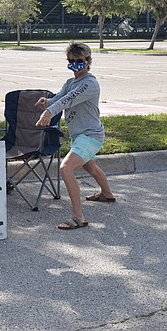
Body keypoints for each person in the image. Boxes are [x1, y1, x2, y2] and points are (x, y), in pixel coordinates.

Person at [35, 42, 115, 230]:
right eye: (71, 61)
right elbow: (59, 97)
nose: (75, 64)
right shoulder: (71, 82)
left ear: (88, 61)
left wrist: (49, 112)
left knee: (66, 168)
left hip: (91, 136)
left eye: (79, 60)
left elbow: (67, 100)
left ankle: (79, 217)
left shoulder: (90, 84)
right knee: (91, 167)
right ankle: (107, 194)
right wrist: (47, 102)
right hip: (80, 136)